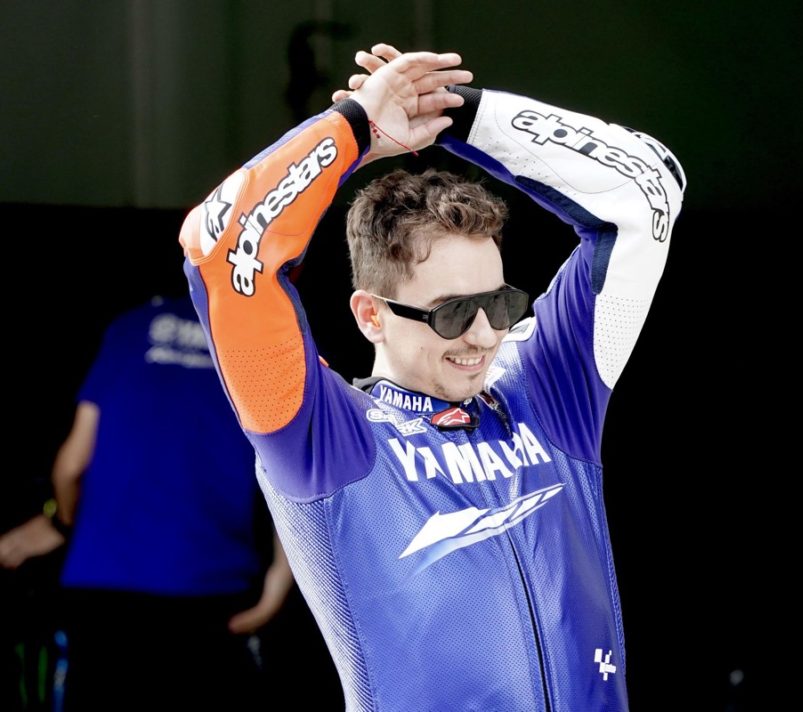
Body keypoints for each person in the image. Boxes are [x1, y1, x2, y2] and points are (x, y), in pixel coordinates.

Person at [180, 43, 685, 710]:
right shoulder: (323, 440)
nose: (484, 335)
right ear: (370, 315)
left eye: (499, 303)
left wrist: (453, 115)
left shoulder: (548, 394)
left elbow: (648, 191)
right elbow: (221, 247)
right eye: (451, 313)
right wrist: (356, 129)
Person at [1, 295, 296, 710]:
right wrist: (282, 575)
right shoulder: (268, 340)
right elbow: (295, 469)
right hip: (212, 586)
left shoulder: (130, 326)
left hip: (105, 586)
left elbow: (71, 465)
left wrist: (62, 524)